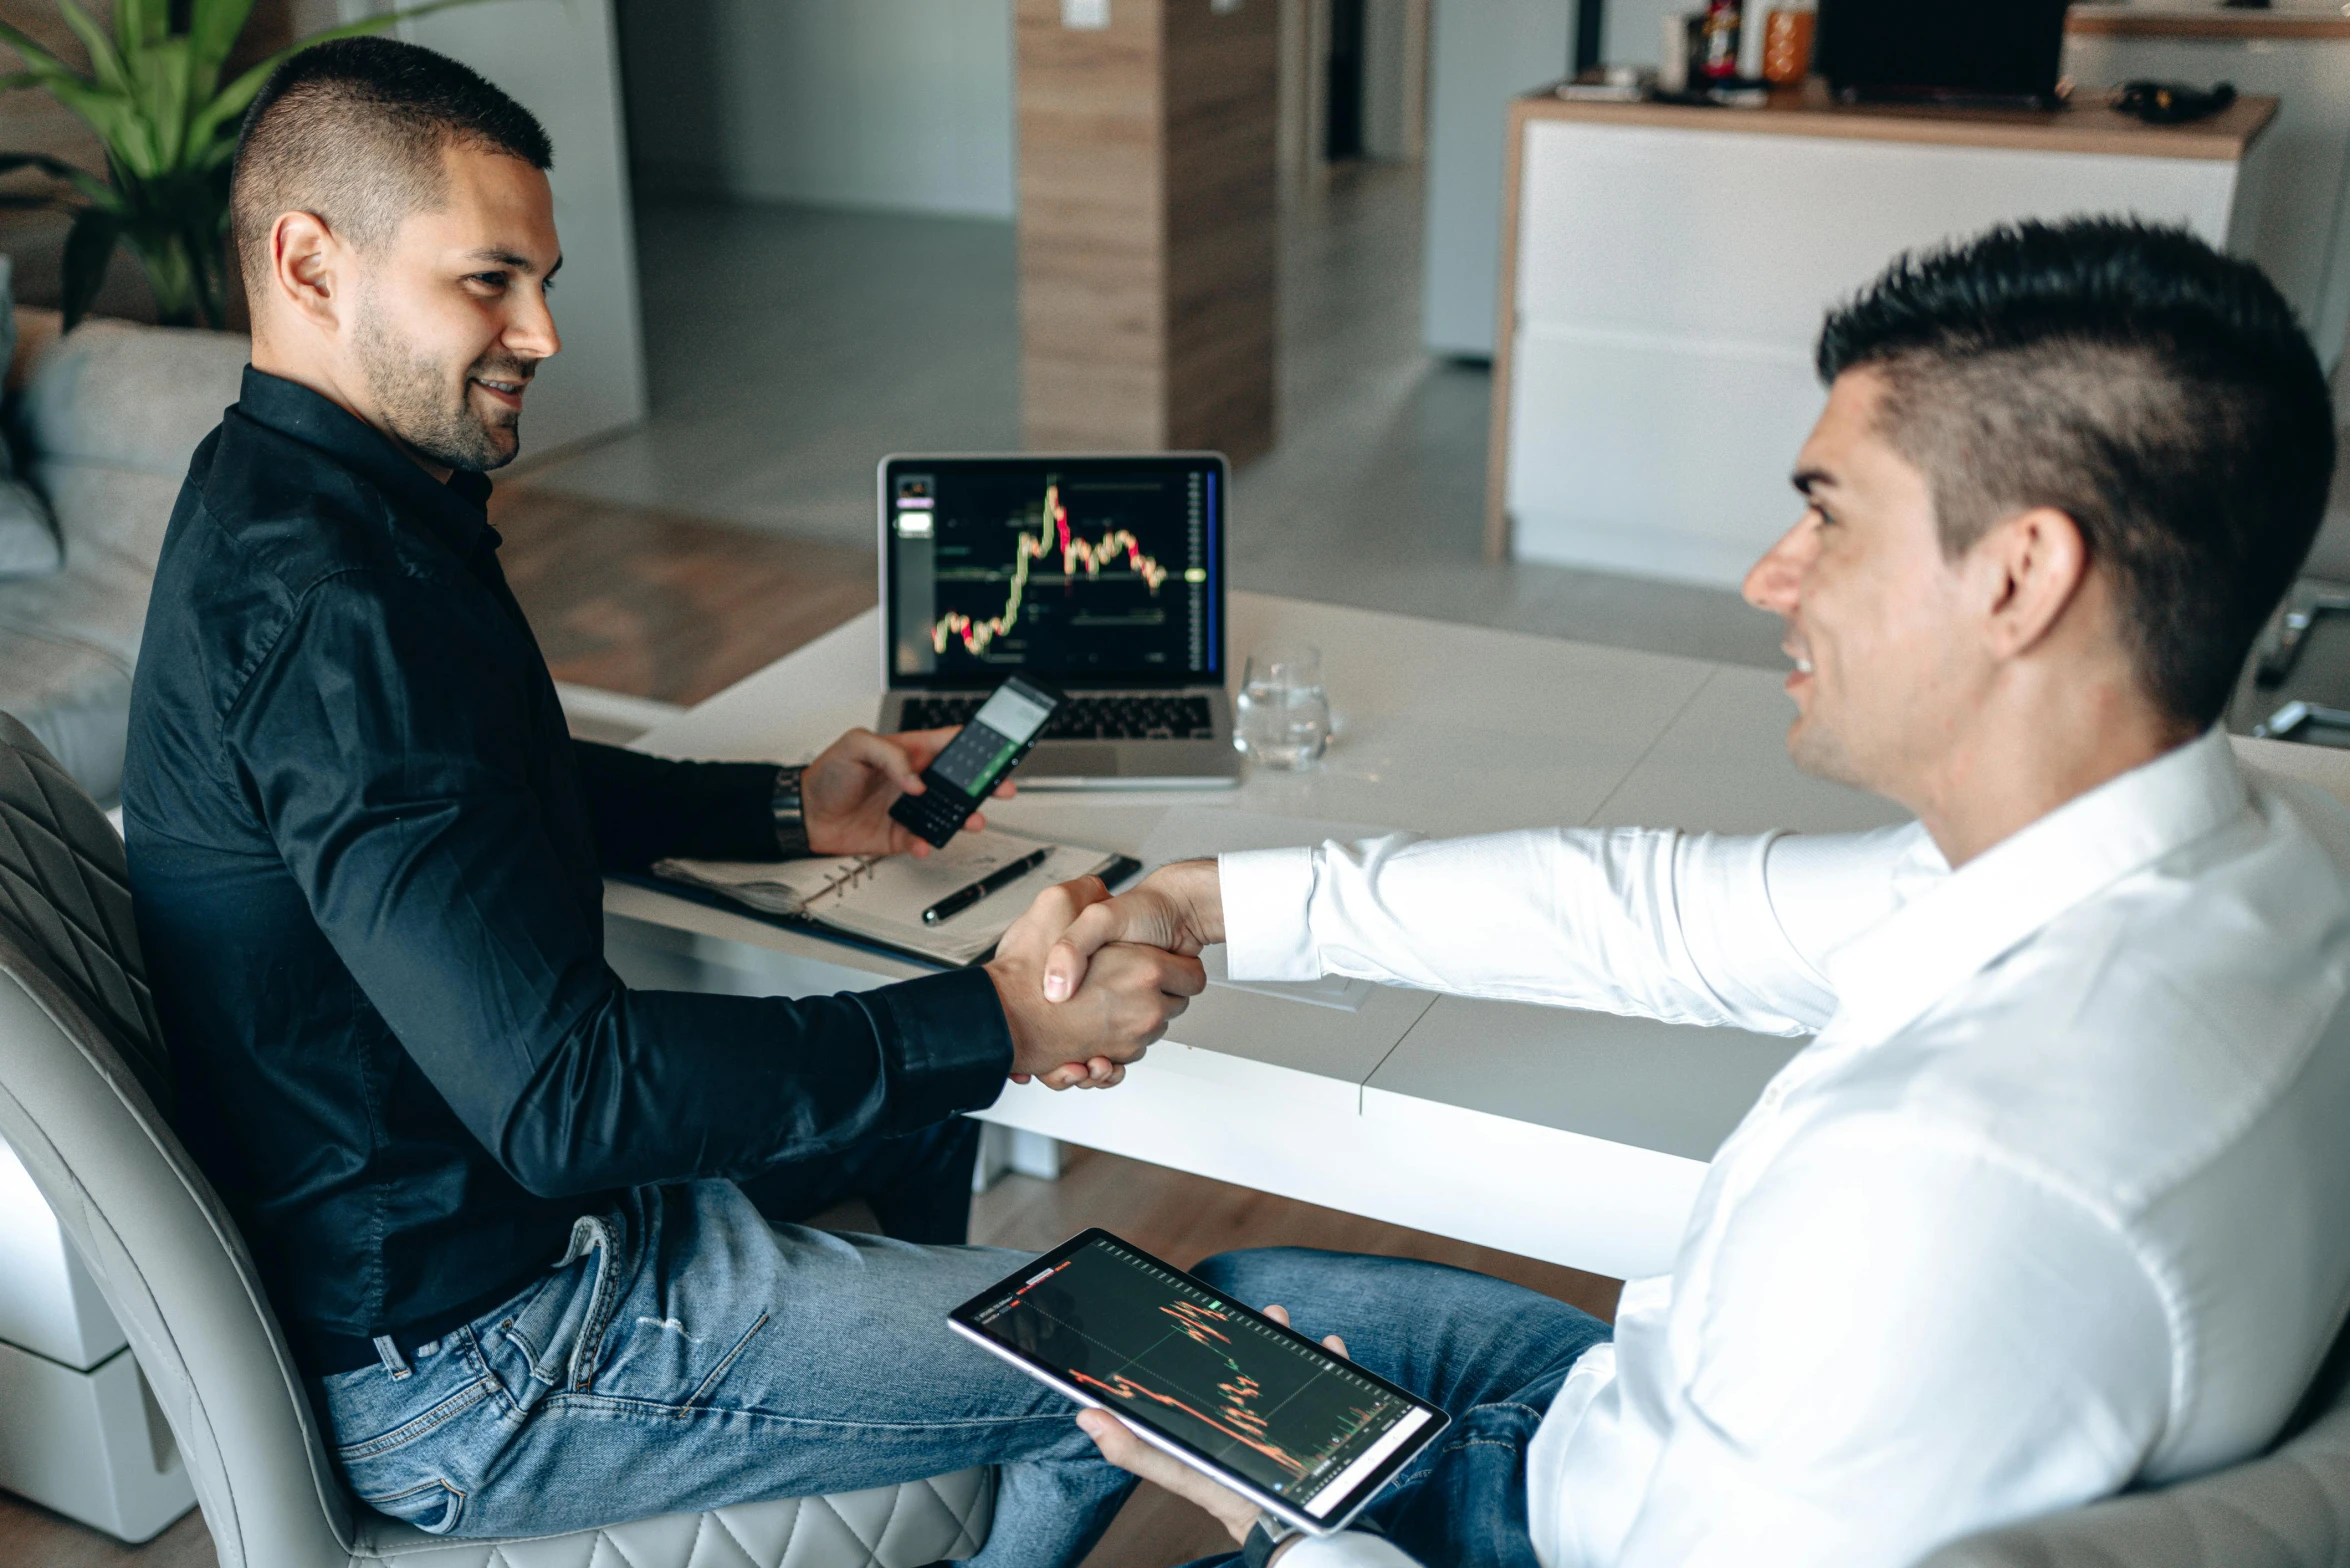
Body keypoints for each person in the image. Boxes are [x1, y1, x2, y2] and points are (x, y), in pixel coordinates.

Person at [1040, 218, 2350, 1567]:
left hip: (1564, 1535)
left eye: (1827, 515)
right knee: (1205, 1305)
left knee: (1098, 1379)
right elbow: (1646, 913)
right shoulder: (2258, 857)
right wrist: (1205, 903)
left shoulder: (1945, 1188)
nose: (1766, 575)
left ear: (2017, 576)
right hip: (1628, 1434)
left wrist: (1276, 1519)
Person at [121, 38, 1199, 1564]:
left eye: (541, 278)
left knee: (915, 1130)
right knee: (1172, 1346)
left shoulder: (304, 498)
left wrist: (783, 810)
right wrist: (1000, 1023)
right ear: (309, 262)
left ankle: (938, 1431)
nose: (543, 330)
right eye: (488, 281)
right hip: (491, 1359)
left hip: (487, 1243)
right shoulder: (331, 599)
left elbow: (477, 788)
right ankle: (973, 1408)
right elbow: (569, 1102)